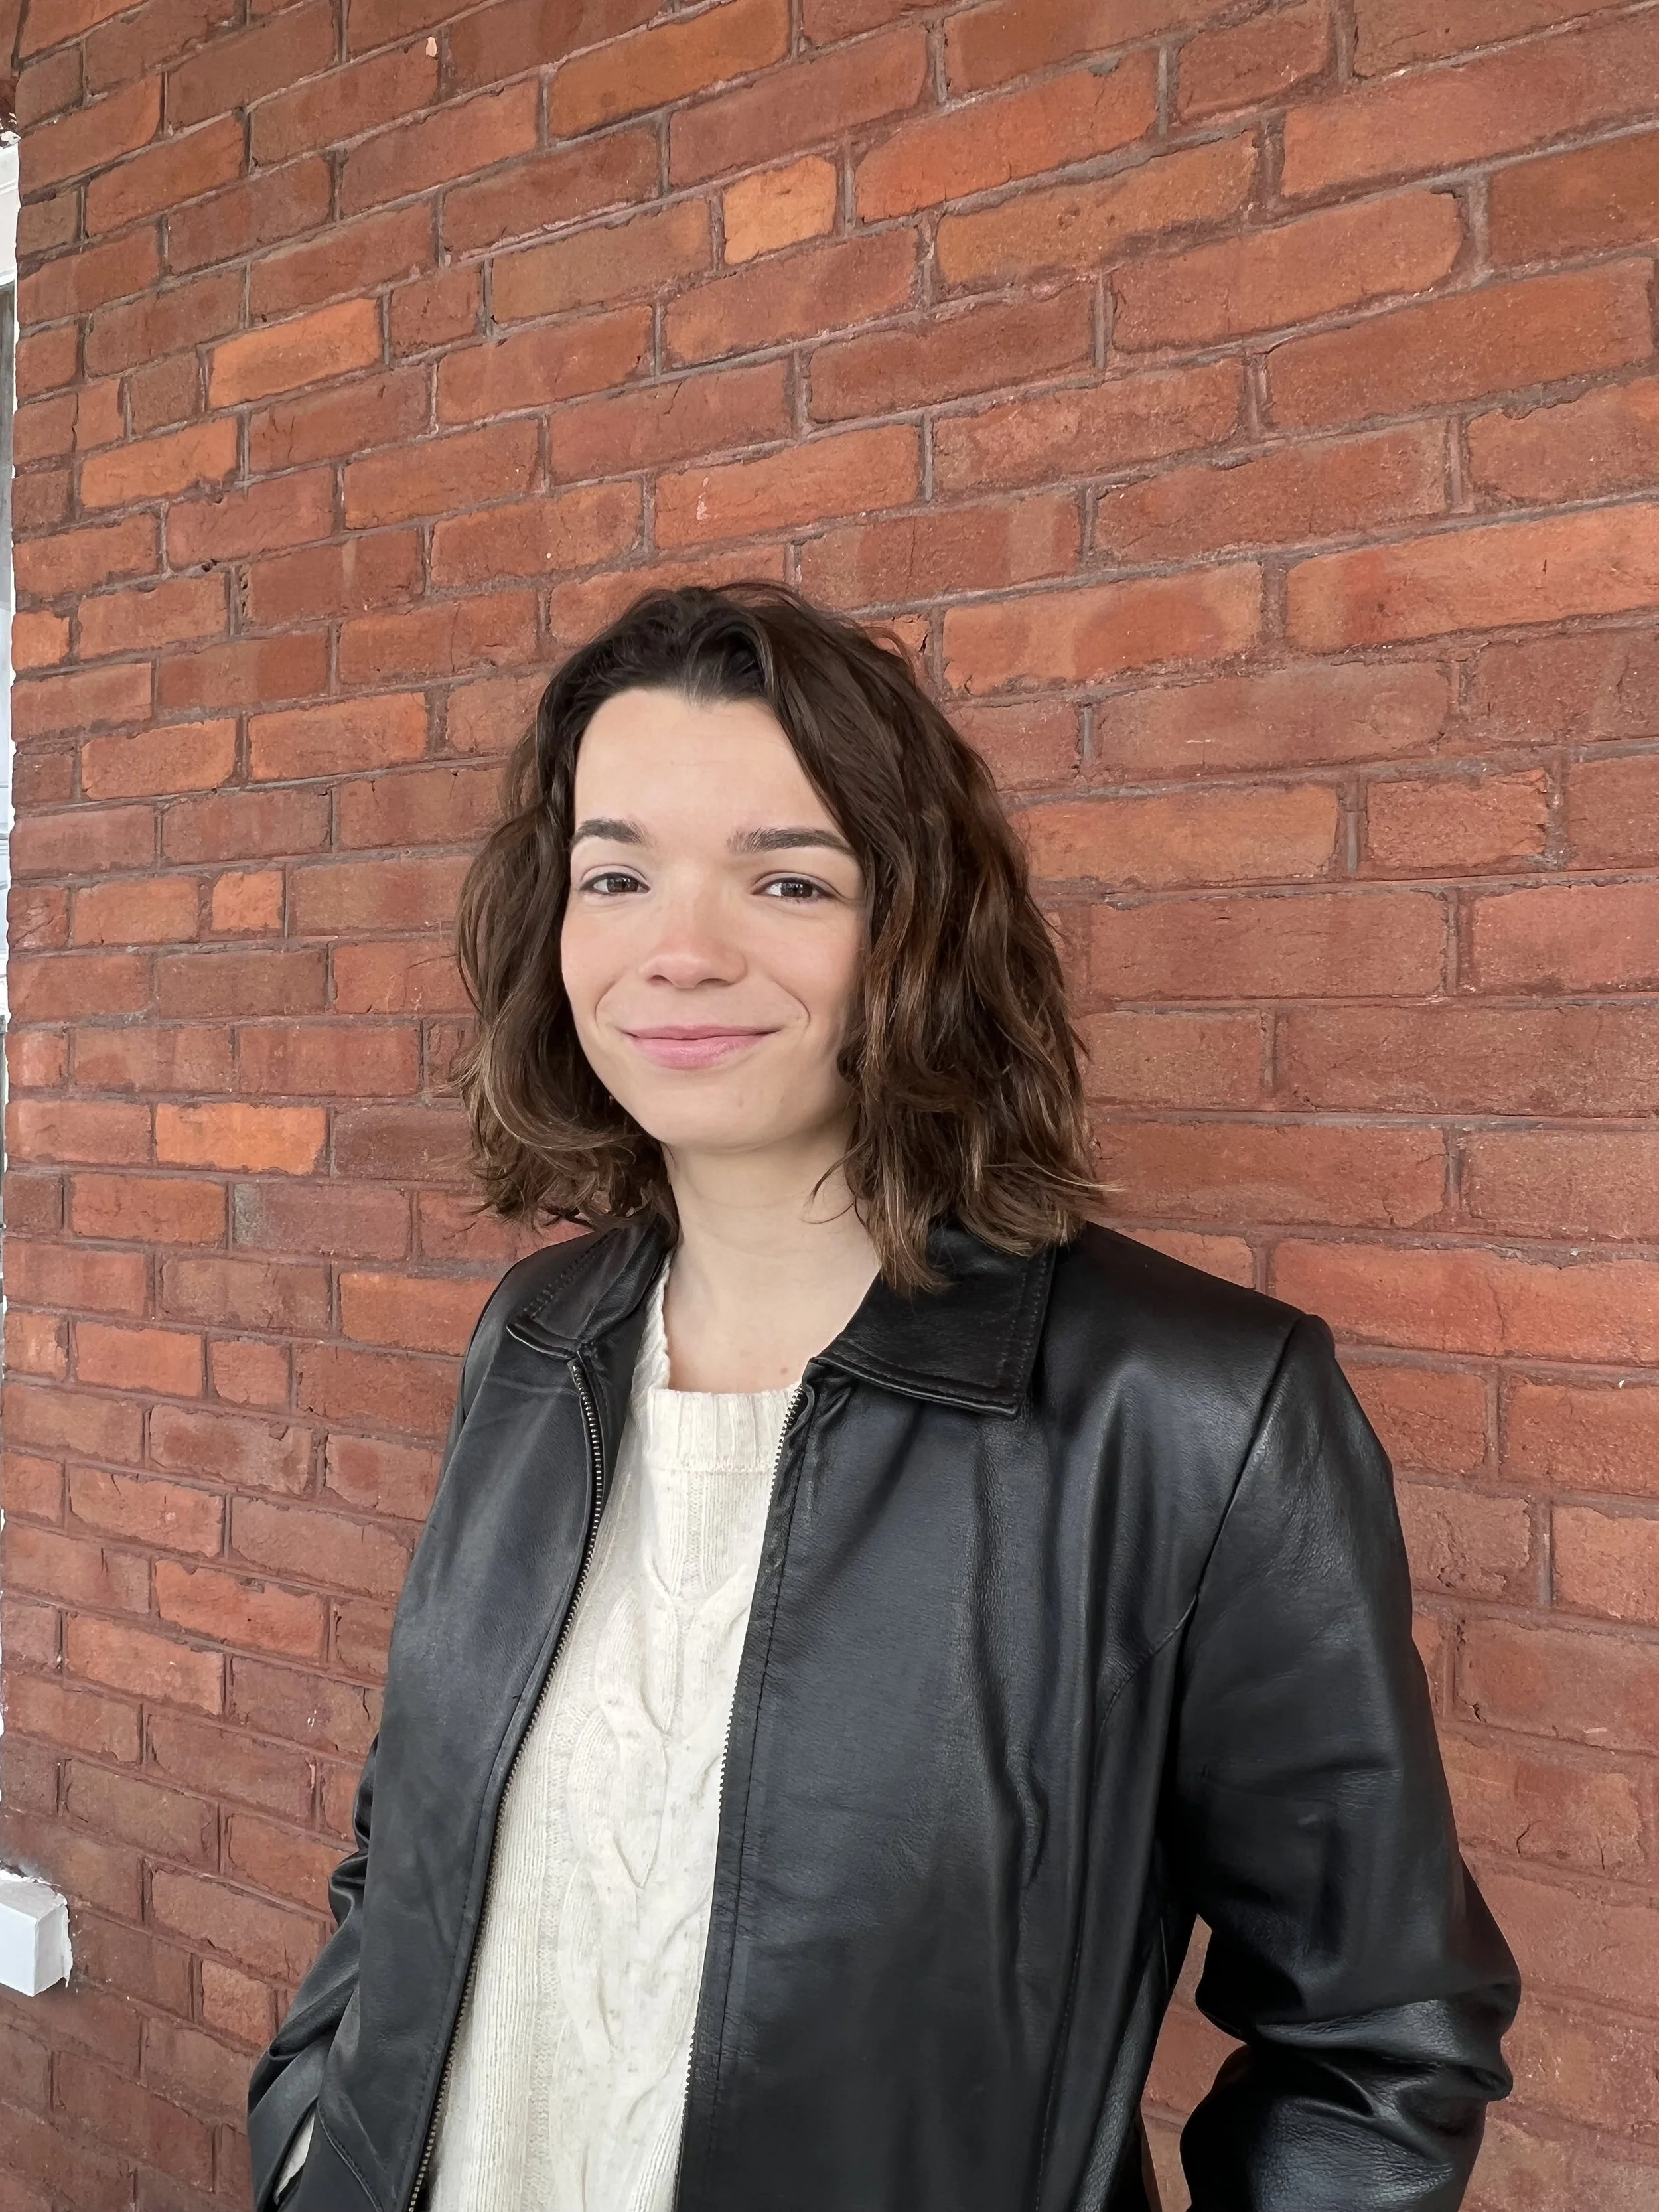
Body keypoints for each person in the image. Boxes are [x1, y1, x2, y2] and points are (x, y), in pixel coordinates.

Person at [248, 582, 1519, 2212]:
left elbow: (1373, 2046)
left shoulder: (1192, 1412)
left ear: (915, 928)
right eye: (615, 873)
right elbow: (404, 1839)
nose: (678, 949)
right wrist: (309, 2125)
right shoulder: (536, 1342)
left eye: (786, 878)